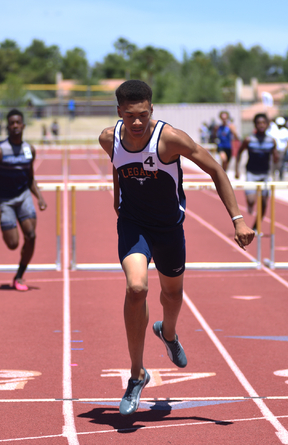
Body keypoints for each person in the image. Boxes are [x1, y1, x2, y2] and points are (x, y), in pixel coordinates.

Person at [98, 80, 255, 416]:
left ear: (151, 110)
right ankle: (137, 374)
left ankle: (167, 333)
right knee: (136, 287)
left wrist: (238, 220)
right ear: (119, 113)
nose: (137, 123)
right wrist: (118, 204)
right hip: (133, 225)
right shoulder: (108, 138)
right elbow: (117, 167)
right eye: (129, 116)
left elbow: (215, 169)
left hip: (168, 228)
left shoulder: (170, 139)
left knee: (172, 295)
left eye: (142, 115)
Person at [0, 109, 47, 291]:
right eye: (12, 123)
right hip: (4, 199)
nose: (15, 126)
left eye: (18, 122)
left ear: (23, 126)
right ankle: (9, 224)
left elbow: (30, 177)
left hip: (23, 196)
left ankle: (19, 276)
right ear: (8, 127)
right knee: (13, 244)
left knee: (31, 235)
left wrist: (39, 197)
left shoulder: (29, 150)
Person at [234, 113, 279, 231]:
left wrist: (276, 158)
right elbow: (239, 153)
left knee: (264, 203)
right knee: (251, 200)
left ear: (268, 125)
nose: (261, 125)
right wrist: (237, 169)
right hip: (251, 173)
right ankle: (250, 205)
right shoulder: (249, 140)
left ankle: (256, 226)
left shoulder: (272, 141)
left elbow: (275, 157)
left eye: (264, 123)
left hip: (265, 174)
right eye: (259, 123)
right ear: (255, 125)